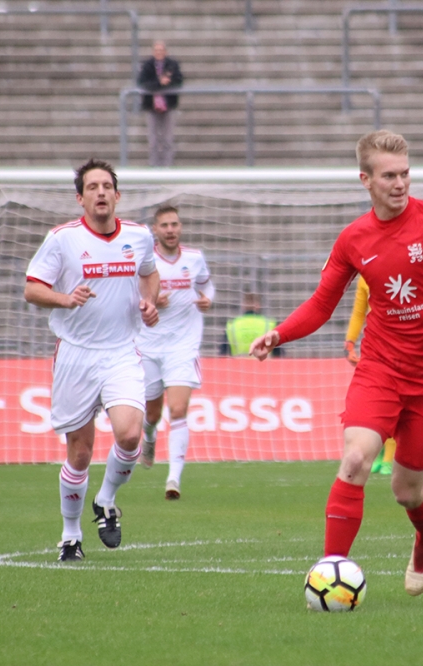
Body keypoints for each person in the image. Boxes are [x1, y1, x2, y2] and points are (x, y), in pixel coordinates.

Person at [249, 130, 423, 596]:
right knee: (354, 460)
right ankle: (331, 573)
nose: (401, 183)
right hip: (380, 370)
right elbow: (322, 304)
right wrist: (280, 333)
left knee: (407, 492)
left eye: (406, 173)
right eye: (389, 175)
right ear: (365, 179)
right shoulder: (353, 239)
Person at [24, 158, 161, 562]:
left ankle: (105, 501)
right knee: (80, 454)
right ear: (80, 198)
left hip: (122, 351)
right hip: (76, 354)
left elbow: (150, 274)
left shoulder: (139, 236)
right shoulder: (62, 238)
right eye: (92, 187)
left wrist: (149, 301)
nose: (100, 192)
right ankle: (70, 536)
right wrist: (65, 299)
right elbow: (32, 289)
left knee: (131, 435)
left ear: (117, 196)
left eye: (106, 186)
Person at [136, 205, 215, 502]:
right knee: (153, 413)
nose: (170, 229)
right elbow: (132, 297)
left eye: (175, 224)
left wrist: (208, 300)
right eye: (165, 225)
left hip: (183, 346)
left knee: (179, 410)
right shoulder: (145, 263)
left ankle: (173, 478)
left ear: (180, 228)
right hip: (149, 346)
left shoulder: (194, 259)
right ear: (155, 230)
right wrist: (151, 300)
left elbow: (208, 286)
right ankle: (149, 436)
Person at [344, 275, 396, 475]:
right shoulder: (365, 277)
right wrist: (350, 342)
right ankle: (380, 455)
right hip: (375, 349)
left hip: (400, 348)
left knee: (393, 404)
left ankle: (389, 460)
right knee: (377, 405)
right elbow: (359, 313)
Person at [138, 39, 183, 167]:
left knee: (167, 138)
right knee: (153, 139)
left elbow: (178, 81)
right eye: (156, 50)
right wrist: (159, 82)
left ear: (165, 51)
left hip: (168, 106)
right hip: (152, 106)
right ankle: (154, 165)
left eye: (161, 50)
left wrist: (167, 82)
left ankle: (167, 165)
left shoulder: (172, 65)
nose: (159, 52)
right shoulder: (147, 66)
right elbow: (143, 83)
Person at [222, 292, 282, 357]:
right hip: (264, 364)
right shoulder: (270, 324)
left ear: (243, 305)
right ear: (258, 306)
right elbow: (278, 354)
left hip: (239, 365)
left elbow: (223, 353)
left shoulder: (232, 325)